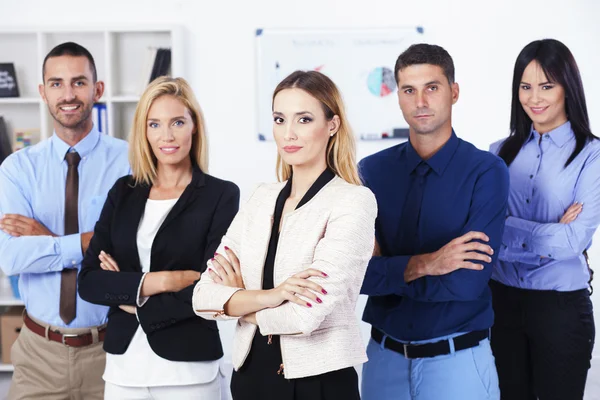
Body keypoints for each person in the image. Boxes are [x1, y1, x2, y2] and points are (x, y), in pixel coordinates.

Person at [192, 70, 377, 400]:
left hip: (317, 383)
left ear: (332, 125)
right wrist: (273, 295)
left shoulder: (353, 201)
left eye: (304, 119)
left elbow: (303, 316)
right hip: (251, 377)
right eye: (280, 119)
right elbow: (203, 297)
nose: (288, 133)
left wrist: (238, 303)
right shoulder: (260, 198)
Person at [359, 43, 508, 400]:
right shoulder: (370, 172)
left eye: (432, 88)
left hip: (458, 362)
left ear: (453, 92)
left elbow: (468, 283)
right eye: (409, 90)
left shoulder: (486, 172)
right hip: (382, 361)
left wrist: (390, 273)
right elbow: (356, 275)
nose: (420, 101)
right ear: (398, 97)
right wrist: (429, 264)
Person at [78, 76, 239, 399]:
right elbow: (90, 282)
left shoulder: (220, 195)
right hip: (124, 369)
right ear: (144, 131)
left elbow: (210, 286)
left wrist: (130, 296)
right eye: (155, 124)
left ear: (194, 126)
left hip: (189, 370)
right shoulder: (123, 192)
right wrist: (163, 281)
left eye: (177, 122)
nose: (166, 135)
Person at [0, 42, 130, 400]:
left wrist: (45, 237)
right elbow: (11, 258)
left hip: (114, 349)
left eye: (79, 82)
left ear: (97, 89)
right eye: (56, 83)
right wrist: (86, 242)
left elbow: (133, 252)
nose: (68, 94)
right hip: (38, 354)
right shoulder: (17, 170)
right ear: (43, 92)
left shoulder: (131, 163)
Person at [489, 38, 598, 400]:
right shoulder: (497, 154)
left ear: (568, 86)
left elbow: (573, 242)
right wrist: (548, 234)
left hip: (560, 311)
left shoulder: (592, 157)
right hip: (500, 304)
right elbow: (484, 233)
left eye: (546, 86)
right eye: (525, 86)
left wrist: (509, 232)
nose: (534, 97)